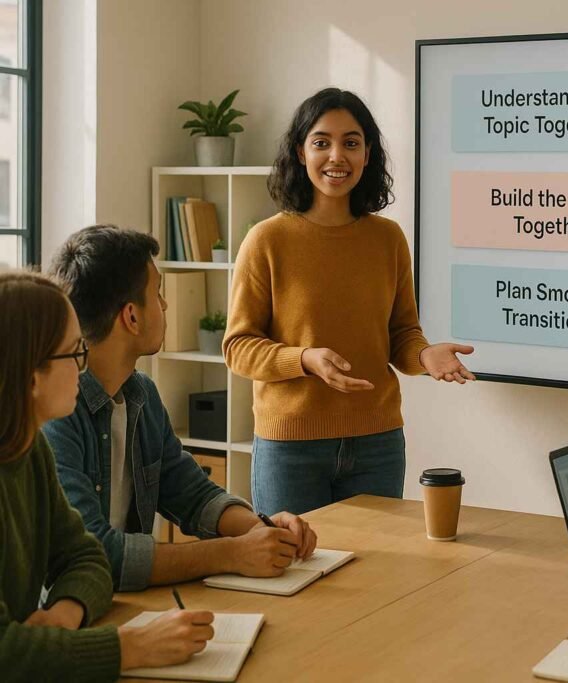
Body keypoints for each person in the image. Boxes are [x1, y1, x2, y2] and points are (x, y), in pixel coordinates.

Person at [224, 88, 474, 515]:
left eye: (351, 143)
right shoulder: (266, 240)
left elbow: (401, 332)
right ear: (301, 153)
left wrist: (425, 355)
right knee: (296, 572)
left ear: (367, 154)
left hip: (377, 444)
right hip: (290, 448)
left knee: (376, 575)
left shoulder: (387, 239)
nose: (336, 156)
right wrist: (304, 359)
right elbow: (238, 347)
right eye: (321, 142)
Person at [45, 226, 317, 592]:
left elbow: (191, 493)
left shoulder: (142, 395)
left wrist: (261, 529)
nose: (166, 304)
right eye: (157, 292)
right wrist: (232, 554)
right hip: (67, 621)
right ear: (132, 316)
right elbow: (97, 554)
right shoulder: (56, 414)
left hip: (126, 606)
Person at [0, 271, 215, 680]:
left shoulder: (30, 453)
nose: (84, 366)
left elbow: (87, 558)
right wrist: (131, 648)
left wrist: (65, 614)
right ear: (31, 376)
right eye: (73, 353)